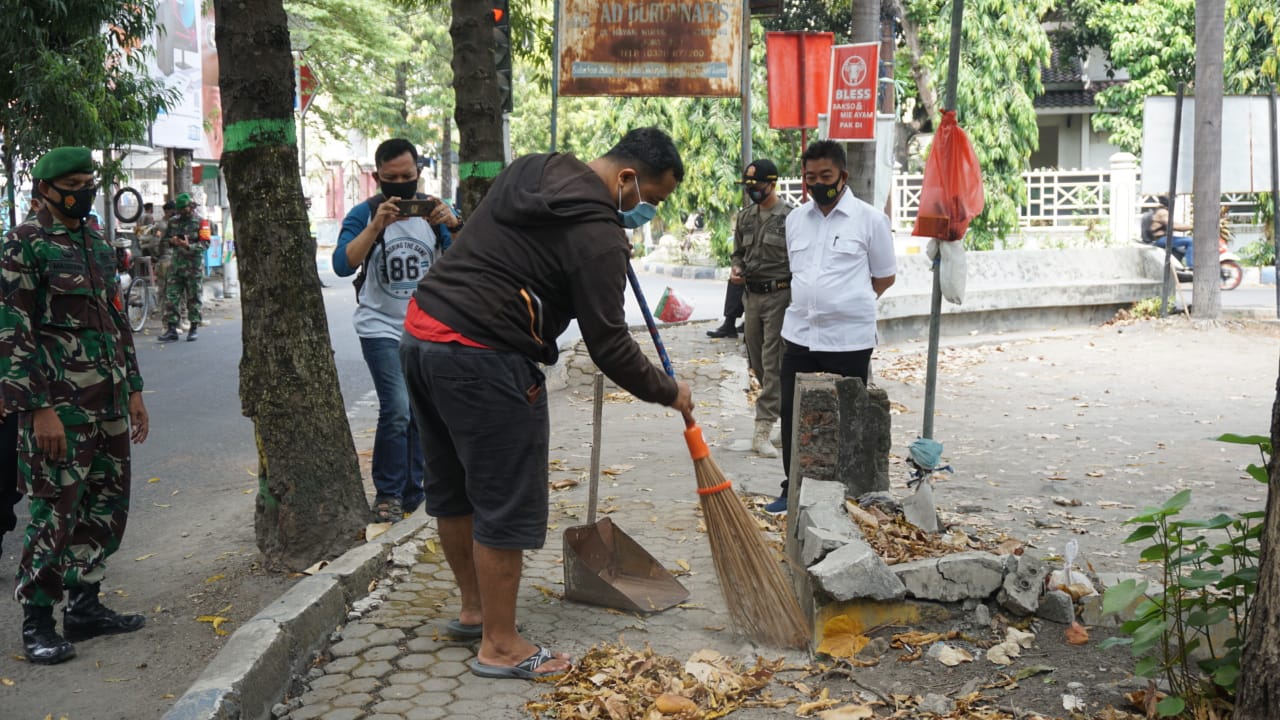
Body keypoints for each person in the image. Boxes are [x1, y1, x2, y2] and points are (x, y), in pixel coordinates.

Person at [400, 127, 693, 680]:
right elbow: (610, 345)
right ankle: (501, 646)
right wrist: (668, 390)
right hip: (483, 356)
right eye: (652, 197)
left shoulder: (534, 168)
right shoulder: (600, 235)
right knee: (504, 501)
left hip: (422, 337)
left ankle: (475, 611)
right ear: (628, 178)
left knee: (453, 488)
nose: (647, 209)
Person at [0, 146, 150, 664]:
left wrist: (134, 390)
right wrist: (37, 409)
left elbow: (116, 321)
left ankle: (85, 606)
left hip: (108, 401)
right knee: (54, 512)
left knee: (106, 505)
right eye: (73, 185)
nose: (83, 192)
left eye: (88, 183)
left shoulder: (97, 244)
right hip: (59, 408)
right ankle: (37, 621)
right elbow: (13, 333)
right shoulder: (23, 245)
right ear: (45, 189)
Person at [332, 138, 460, 523]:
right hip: (380, 326)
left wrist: (454, 224)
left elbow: (467, 262)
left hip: (426, 325)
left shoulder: (434, 212)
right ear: (377, 178)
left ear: (418, 172)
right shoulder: (365, 213)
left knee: (421, 410)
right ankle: (387, 493)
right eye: (392, 178)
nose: (401, 185)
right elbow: (342, 264)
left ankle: (413, 490)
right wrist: (376, 226)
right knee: (398, 408)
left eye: (407, 177)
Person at [767, 141, 896, 514]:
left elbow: (884, 277)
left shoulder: (870, 220)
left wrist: (845, 303)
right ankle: (794, 489)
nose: (818, 184)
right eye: (810, 177)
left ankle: (843, 494)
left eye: (826, 176)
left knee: (845, 417)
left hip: (849, 340)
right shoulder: (795, 220)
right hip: (800, 335)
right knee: (794, 415)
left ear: (843, 176)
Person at [729, 159, 792, 459]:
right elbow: (738, 253)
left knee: (773, 361)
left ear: (772, 184)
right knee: (757, 362)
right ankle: (785, 419)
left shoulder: (789, 217)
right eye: (748, 186)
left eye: (756, 186)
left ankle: (763, 429)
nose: (751, 191)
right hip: (751, 298)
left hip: (779, 296)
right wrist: (737, 268)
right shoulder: (745, 218)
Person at [157, 193, 208, 342]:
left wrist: (188, 246)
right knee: (171, 297)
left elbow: (205, 244)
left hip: (194, 267)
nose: (182, 212)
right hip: (176, 266)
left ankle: (193, 328)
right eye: (179, 210)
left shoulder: (201, 222)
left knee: (194, 298)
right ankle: (172, 329)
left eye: (184, 209)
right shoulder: (173, 222)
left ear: (191, 206)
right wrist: (172, 242)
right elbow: (164, 240)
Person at [1140, 195, 1194, 269]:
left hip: (1160, 239)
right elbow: (1173, 226)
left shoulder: (1157, 211)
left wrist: (1188, 226)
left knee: (1182, 248)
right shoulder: (1163, 212)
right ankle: (1191, 266)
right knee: (1191, 241)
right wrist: (1192, 227)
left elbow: (1174, 224)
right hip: (1161, 240)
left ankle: (1177, 267)